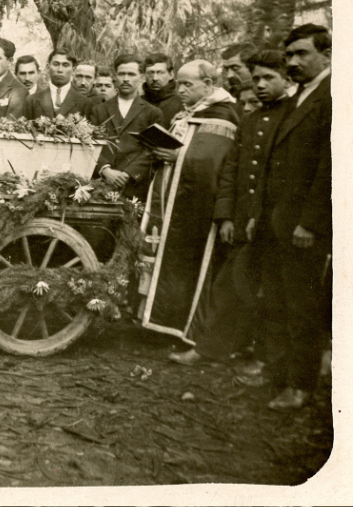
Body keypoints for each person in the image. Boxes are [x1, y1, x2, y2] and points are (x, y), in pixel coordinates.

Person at [169, 50, 291, 369]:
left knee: (277, 292)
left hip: (280, 221)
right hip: (244, 220)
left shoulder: (292, 118)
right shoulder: (251, 120)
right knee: (230, 286)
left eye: (269, 78)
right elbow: (233, 171)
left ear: (287, 80)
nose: (261, 85)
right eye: (258, 78)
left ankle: (268, 361)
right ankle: (211, 350)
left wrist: (264, 217)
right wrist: (226, 216)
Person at [254, 24, 331, 410]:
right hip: (277, 221)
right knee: (278, 302)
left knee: (302, 306)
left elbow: (329, 168)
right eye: (290, 56)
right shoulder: (300, 96)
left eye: (302, 53)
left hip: (303, 226)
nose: (293, 62)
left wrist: (311, 223)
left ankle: (301, 386)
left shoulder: (334, 96)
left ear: (327, 54)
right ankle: (279, 376)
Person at [141, 59, 239, 339]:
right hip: (172, 199)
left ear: (208, 85)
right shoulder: (186, 113)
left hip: (198, 206)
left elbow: (212, 163)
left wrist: (177, 156)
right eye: (180, 84)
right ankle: (160, 321)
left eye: (188, 84)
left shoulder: (223, 114)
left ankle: (182, 327)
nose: (180, 90)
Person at [87, 54, 162, 199]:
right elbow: (89, 143)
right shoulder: (99, 110)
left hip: (135, 186)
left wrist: (128, 174)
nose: (126, 79)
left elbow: (152, 150)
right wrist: (105, 170)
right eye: (122, 74)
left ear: (142, 77)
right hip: (100, 183)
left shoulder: (153, 112)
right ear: (115, 77)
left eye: (131, 74)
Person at [27, 47, 94, 119]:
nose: (60, 70)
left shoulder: (85, 102)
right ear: (48, 67)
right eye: (56, 64)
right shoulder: (32, 100)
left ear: (74, 70)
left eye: (65, 65)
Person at [142, 53, 184, 126]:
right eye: (150, 73)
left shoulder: (182, 103)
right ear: (144, 75)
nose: (155, 78)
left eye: (160, 72)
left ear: (171, 75)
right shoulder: (136, 102)